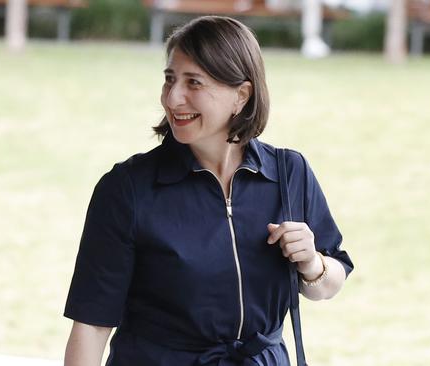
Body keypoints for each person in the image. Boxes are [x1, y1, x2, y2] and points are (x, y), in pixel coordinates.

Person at [63, 15, 353, 366]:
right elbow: (91, 326)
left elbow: (328, 282)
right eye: (170, 79)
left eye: (193, 83)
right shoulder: (128, 189)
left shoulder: (289, 174)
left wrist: (311, 262)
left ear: (241, 96)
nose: (173, 97)